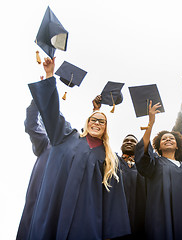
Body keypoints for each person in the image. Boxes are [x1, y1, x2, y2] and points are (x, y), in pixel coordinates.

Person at [27, 57, 130, 239]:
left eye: (101, 121)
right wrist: (50, 75)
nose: (97, 123)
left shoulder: (109, 158)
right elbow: (52, 112)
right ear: (87, 122)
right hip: (55, 210)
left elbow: (114, 204)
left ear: (106, 127)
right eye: (93, 119)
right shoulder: (66, 136)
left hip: (86, 221)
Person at [134, 101, 182, 240]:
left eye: (171, 138)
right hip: (160, 214)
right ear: (158, 146)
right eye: (164, 139)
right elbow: (142, 152)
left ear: (178, 145)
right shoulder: (154, 162)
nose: (168, 139)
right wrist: (151, 123)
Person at [16, 98, 53, 240]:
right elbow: (32, 125)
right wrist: (38, 99)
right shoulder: (47, 143)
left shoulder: (72, 151)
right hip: (39, 196)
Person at [115, 134, 147, 240]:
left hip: (140, 221)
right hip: (116, 218)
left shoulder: (144, 166)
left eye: (133, 141)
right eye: (126, 140)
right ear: (121, 146)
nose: (129, 142)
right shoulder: (113, 162)